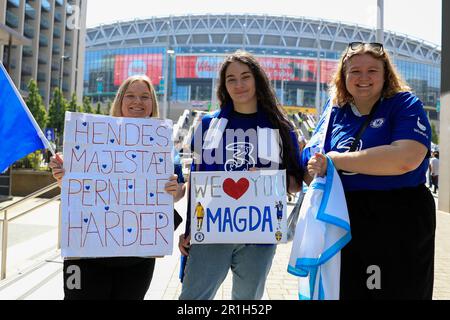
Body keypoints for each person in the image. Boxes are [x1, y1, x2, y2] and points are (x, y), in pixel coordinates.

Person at [305, 42, 436, 300]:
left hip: (399, 218)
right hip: (344, 218)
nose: (363, 78)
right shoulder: (333, 113)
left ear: (386, 74)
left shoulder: (404, 104)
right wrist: (314, 165)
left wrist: (336, 160)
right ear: (343, 77)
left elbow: (405, 158)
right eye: (354, 71)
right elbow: (309, 162)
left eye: (372, 71)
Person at [178, 50, 303, 300]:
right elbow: (197, 177)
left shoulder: (280, 126)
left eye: (245, 76)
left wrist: (269, 177)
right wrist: (190, 228)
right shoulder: (208, 124)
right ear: (224, 86)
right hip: (212, 230)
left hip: (259, 235)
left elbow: (296, 184)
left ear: (257, 79)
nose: (239, 84)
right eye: (231, 79)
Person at [49, 75, 186, 300]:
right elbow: (78, 188)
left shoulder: (164, 145)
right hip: (86, 255)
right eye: (130, 95)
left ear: (153, 104)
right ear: (120, 101)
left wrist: (176, 191)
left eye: (145, 97)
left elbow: (178, 191)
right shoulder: (94, 137)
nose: (137, 102)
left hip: (137, 258)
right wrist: (63, 176)